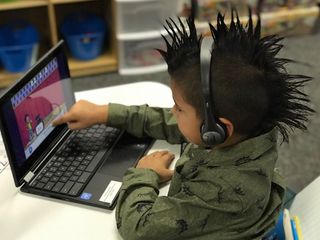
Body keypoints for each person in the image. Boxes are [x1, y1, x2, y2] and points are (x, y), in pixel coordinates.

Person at [53, 9, 314, 240]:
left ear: (217, 129)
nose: (172, 112)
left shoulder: (220, 193)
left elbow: (138, 227)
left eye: (178, 107)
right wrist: (105, 113)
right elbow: (173, 123)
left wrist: (145, 175)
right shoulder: (247, 129)